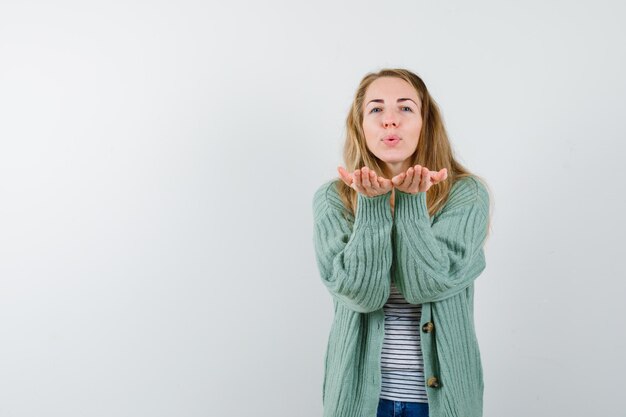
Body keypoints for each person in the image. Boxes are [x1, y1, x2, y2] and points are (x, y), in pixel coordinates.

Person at [311, 68, 492, 417]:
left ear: (425, 122)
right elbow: (361, 294)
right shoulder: (333, 199)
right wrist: (373, 207)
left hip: (441, 402)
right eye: (376, 109)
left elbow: (428, 284)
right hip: (359, 402)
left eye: (405, 108)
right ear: (360, 126)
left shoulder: (466, 195)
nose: (390, 121)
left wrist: (410, 205)